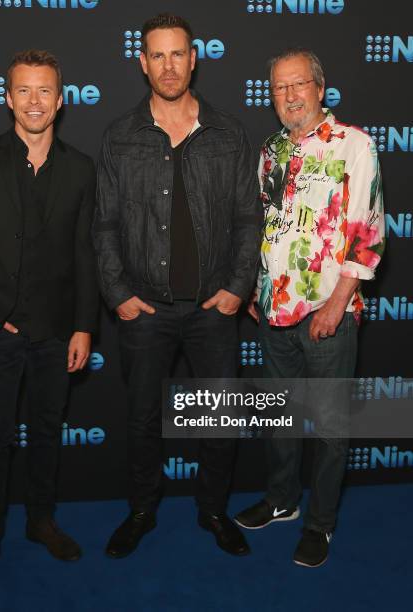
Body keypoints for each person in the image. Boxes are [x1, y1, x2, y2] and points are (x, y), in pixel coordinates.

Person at [93, 13, 262, 559]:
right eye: (157, 56)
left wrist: (239, 286)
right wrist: (118, 295)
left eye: (178, 54)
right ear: (142, 64)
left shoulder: (229, 132)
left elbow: (246, 220)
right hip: (145, 309)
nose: (168, 66)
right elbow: (105, 226)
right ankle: (142, 509)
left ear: (195, 59)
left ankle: (213, 509)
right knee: (143, 419)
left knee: (220, 421)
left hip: (215, 307)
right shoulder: (120, 136)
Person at [0, 49, 99, 590]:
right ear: (9, 97)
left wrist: (84, 325)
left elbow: (85, 253)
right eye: (24, 91)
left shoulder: (80, 168)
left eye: (45, 91)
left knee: (49, 433)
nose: (34, 101)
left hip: (56, 333)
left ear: (60, 100)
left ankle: (40, 522)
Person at [235, 48, 385, 567]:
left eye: (298, 84)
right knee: (281, 419)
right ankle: (282, 502)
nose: (290, 95)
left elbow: (367, 236)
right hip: (274, 312)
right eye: (279, 88)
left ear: (320, 88)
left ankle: (321, 524)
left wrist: (336, 305)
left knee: (328, 427)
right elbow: (267, 226)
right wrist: (258, 288)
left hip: (328, 316)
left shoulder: (354, 145)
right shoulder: (271, 149)